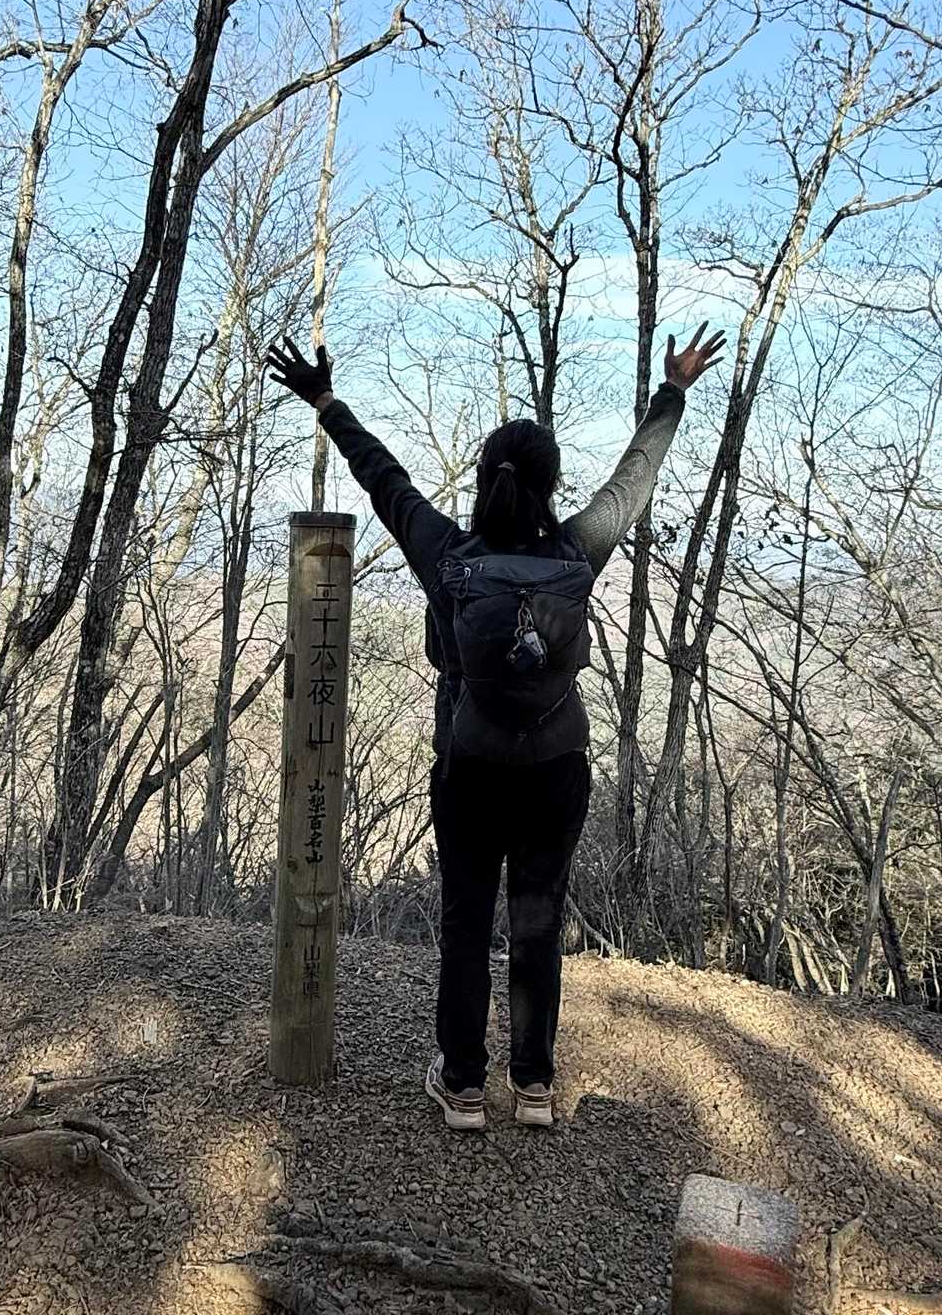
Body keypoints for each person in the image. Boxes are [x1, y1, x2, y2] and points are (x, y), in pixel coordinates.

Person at [267, 325, 725, 1131]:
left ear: (486, 481)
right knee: (537, 924)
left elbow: (383, 477)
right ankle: (536, 1086)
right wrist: (673, 391)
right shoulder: (578, 552)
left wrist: (325, 399)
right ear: (551, 486)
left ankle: (465, 1087)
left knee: (467, 924)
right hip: (556, 769)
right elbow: (634, 480)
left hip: (470, 767)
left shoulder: (448, 556)